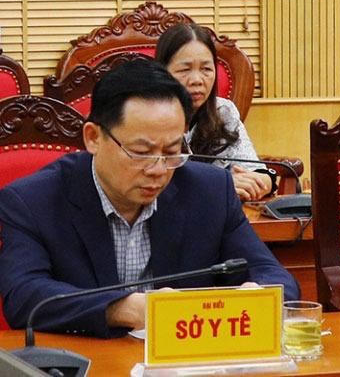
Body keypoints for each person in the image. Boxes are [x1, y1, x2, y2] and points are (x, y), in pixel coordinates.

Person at [0, 59, 300, 338]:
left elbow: (276, 277)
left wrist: (257, 294)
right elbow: (24, 297)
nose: (158, 170)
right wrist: (124, 308)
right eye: (141, 152)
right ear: (93, 138)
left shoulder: (210, 191)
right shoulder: (33, 201)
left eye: (171, 152)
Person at [155, 23, 276, 201]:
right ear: (162, 72)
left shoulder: (223, 111)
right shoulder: (146, 118)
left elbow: (255, 171)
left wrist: (263, 181)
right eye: (184, 70)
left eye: (206, 69)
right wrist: (221, 186)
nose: (197, 80)